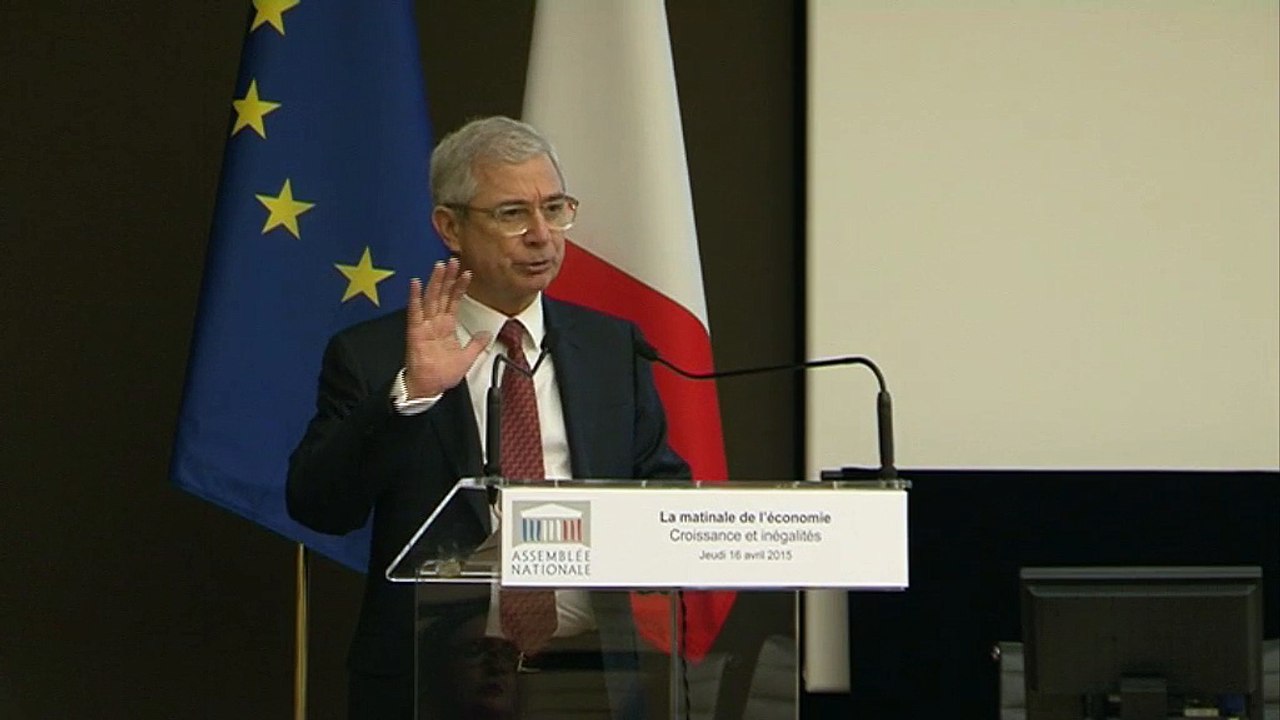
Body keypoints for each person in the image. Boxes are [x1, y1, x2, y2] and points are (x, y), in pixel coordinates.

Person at [286, 116, 689, 719]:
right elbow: (320, 504)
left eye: (554, 209)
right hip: (433, 682)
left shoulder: (612, 349)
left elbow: (660, 487)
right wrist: (412, 394)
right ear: (450, 226)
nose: (541, 235)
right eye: (511, 214)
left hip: (587, 677)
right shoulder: (373, 357)